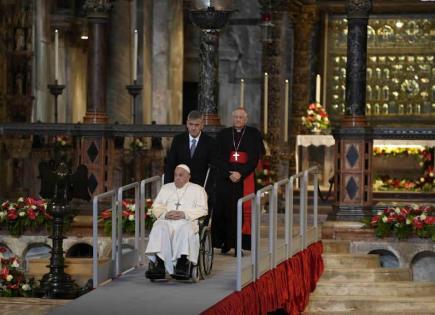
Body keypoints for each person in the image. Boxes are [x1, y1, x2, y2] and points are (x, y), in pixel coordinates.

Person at [212, 107, 264, 254]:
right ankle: (225, 243)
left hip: (244, 179)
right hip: (226, 178)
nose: (238, 120)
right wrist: (230, 172)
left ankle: (239, 244)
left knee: (239, 211)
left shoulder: (253, 134)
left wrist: (240, 173)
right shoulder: (223, 134)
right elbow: (218, 157)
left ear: (246, 119)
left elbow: (254, 159)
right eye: (235, 117)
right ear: (232, 118)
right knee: (224, 211)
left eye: (241, 117)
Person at [145, 164, 208, 280]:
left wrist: (185, 214)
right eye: (175, 175)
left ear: (189, 177)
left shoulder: (198, 190)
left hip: (186, 221)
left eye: (181, 175)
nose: (177, 178)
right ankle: (159, 265)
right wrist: (165, 214)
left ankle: (182, 263)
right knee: (159, 226)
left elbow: (203, 209)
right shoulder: (166, 188)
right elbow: (156, 206)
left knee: (184, 229)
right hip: (167, 221)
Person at [164, 110, 216, 188]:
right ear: (187, 124)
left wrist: (208, 192)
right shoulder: (178, 140)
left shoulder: (210, 142)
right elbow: (170, 165)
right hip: (180, 186)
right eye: (191, 124)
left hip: (200, 187)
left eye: (197, 125)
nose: (193, 128)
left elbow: (213, 169)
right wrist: (167, 187)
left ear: (202, 125)